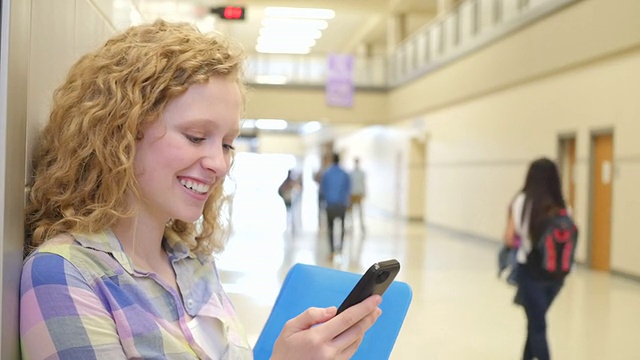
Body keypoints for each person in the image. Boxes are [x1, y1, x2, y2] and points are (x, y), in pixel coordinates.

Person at [20, 20, 382, 359]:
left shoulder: (192, 262)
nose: (219, 164)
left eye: (226, 144)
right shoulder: (66, 275)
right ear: (120, 133)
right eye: (196, 137)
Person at [503, 158, 567, 360]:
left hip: (530, 272)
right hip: (558, 275)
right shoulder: (563, 205)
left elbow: (509, 237)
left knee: (537, 324)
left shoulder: (522, 201)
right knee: (536, 321)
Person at [320, 153, 351, 259]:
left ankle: (332, 250)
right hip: (341, 205)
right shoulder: (345, 174)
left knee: (330, 228)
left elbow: (323, 189)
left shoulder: (326, 173)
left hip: (330, 205)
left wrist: (325, 201)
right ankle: (340, 248)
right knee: (342, 226)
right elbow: (348, 189)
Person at [278, 169, 302, 233]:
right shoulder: (288, 182)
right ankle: (290, 223)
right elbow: (280, 190)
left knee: (289, 211)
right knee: (290, 211)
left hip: (288, 198)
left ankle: (290, 223)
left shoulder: (288, 181)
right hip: (288, 198)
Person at [348, 157, 366, 232]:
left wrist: (364, 193)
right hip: (352, 194)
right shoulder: (351, 173)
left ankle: (361, 226)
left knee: (360, 212)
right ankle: (351, 225)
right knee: (351, 212)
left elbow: (363, 184)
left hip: (359, 194)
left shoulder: (362, 173)